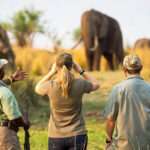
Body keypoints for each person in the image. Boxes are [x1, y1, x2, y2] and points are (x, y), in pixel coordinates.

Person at [35, 53, 100, 150]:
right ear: (72, 66)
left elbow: (37, 87)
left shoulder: (50, 86)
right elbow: (96, 84)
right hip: (77, 134)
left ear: (56, 66)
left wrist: (52, 72)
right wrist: (81, 71)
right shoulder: (80, 83)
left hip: (55, 136)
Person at [104, 54, 150, 150]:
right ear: (140, 69)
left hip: (123, 146)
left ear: (124, 70)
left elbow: (110, 120)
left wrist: (108, 140)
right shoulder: (149, 88)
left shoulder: (118, 89)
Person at [0, 59, 29, 150]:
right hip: (5, 135)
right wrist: (25, 122)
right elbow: (15, 118)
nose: (4, 70)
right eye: (2, 68)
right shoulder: (5, 93)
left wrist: (11, 79)